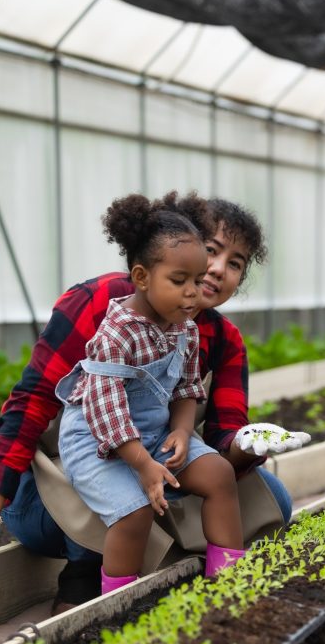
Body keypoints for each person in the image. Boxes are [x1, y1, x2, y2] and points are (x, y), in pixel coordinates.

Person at [0, 192, 309, 610]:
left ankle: (208, 585)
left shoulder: (215, 337)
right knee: (123, 500)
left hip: (153, 453)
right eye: (211, 251)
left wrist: (246, 444)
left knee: (272, 496)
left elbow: (219, 432)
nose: (218, 270)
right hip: (70, 470)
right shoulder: (105, 307)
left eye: (236, 263)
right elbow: (33, 402)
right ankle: (91, 581)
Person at [57, 194, 246, 594]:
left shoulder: (185, 327)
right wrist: (143, 466)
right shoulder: (118, 331)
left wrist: (180, 431)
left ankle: (229, 584)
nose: (193, 293)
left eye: (197, 281)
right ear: (142, 278)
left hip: (153, 434)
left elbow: (187, 387)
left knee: (219, 474)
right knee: (135, 511)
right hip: (96, 440)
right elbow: (105, 408)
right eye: (179, 282)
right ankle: (117, 604)